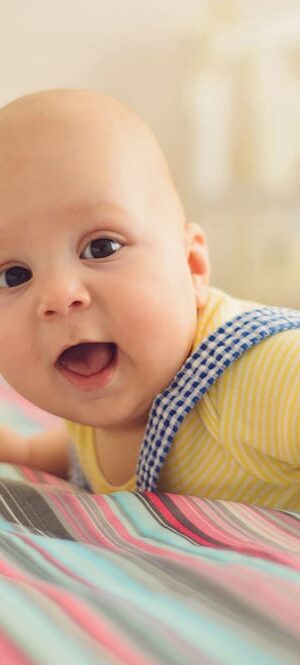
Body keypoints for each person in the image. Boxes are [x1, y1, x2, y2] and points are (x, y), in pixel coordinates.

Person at [0, 89, 299, 510]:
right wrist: (26, 455)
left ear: (192, 266)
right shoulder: (92, 411)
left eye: (101, 247)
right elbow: (82, 451)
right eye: (14, 275)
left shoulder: (254, 376)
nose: (58, 296)